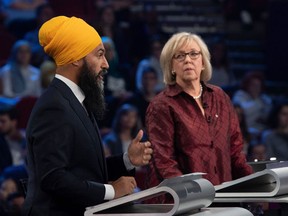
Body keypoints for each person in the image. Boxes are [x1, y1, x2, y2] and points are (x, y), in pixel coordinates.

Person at [22, 16, 153, 216]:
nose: (106, 64)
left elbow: (86, 170)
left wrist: (127, 160)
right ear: (75, 58)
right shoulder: (54, 106)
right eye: (100, 55)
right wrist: (112, 191)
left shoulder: (76, 100)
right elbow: (53, 178)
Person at [145, 32, 253, 202]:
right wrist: (194, 198)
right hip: (182, 203)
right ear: (171, 66)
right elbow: (164, 162)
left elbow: (235, 152)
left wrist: (254, 187)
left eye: (194, 54)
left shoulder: (220, 97)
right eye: (179, 56)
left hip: (223, 198)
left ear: (203, 62)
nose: (188, 60)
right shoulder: (162, 105)